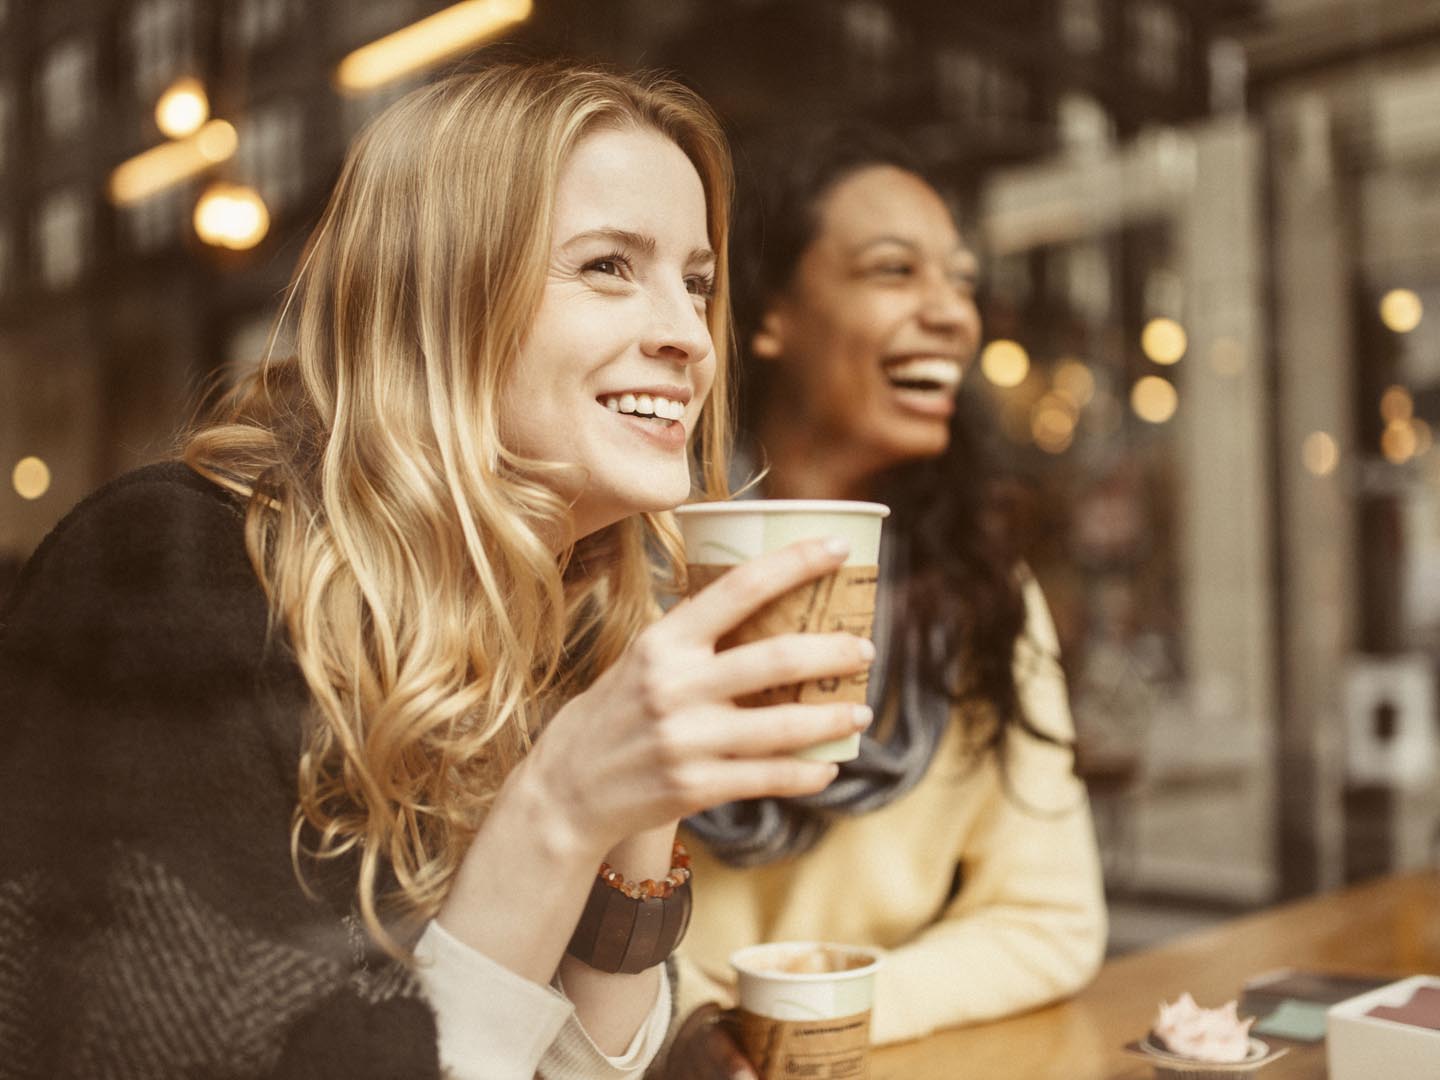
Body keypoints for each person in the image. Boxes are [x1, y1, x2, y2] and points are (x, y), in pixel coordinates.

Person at [0, 64, 880, 1080]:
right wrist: (560, 804)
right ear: (443, 299)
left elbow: (577, 1071)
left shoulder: (571, 610)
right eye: (606, 267)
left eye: (696, 282)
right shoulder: (167, 572)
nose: (687, 336)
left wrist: (643, 813)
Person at [661, 127, 1107, 1075]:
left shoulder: (985, 595)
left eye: (961, 281)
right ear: (771, 314)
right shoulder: (631, 567)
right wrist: (679, 1026)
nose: (953, 313)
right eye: (893, 270)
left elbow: (1052, 920)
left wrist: (803, 1016)